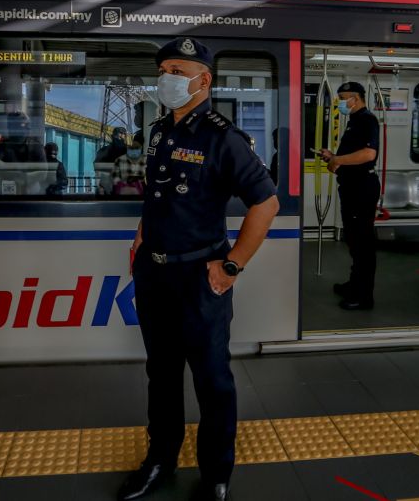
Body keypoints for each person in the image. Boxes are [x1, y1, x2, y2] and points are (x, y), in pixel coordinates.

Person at [120, 38, 279, 501]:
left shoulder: (223, 137)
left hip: (200, 278)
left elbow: (266, 203)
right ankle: (160, 460)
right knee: (162, 374)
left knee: (212, 378)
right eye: (163, 68)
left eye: (176, 68)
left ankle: (215, 475)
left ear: (203, 79)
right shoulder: (157, 131)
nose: (165, 76)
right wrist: (142, 233)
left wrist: (232, 265)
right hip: (155, 274)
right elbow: (159, 194)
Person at [320, 81, 380, 311]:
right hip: (351, 185)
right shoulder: (353, 121)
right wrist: (333, 156)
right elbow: (351, 154)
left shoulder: (367, 120)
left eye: (344, 98)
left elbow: (368, 153)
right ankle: (354, 284)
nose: (340, 102)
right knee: (354, 240)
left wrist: (338, 160)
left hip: (362, 187)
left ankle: (364, 297)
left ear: (356, 98)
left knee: (362, 243)